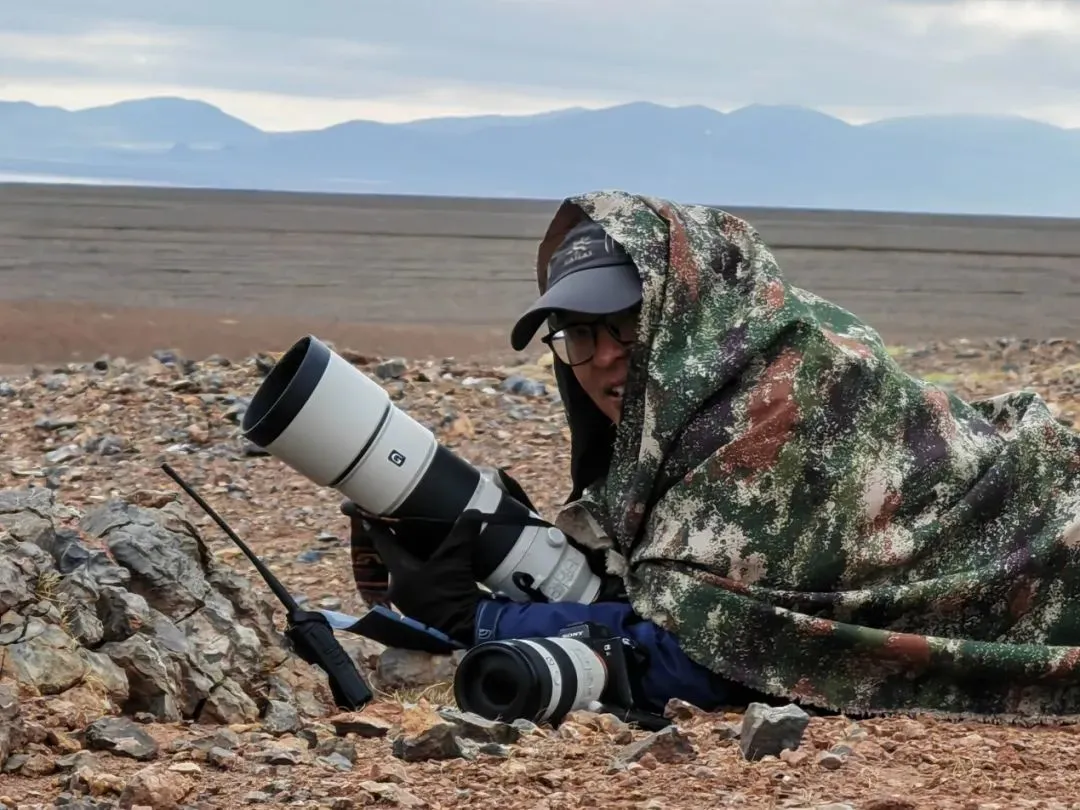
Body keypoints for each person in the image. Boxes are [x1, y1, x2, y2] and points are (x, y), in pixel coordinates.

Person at [347, 189, 1080, 722]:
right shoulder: (710, 395)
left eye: (626, 325)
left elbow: (701, 657)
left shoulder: (780, 407)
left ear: (683, 314)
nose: (604, 360)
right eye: (577, 335)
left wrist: (479, 622)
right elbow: (683, 582)